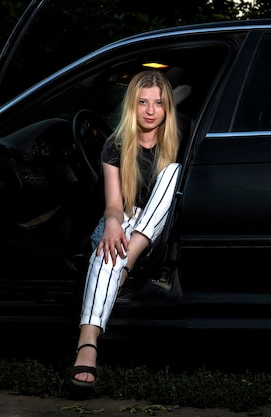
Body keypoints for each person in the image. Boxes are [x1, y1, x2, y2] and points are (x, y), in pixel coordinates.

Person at [70, 70, 181, 387]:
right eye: (143, 102)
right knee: (108, 252)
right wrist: (113, 224)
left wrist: (128, 250)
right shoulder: (115, 146)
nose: (150, 110)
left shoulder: (177, 144)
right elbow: (115, 203)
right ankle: (87, 344)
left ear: (167, 107)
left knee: (173, 172)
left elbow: (169, 203)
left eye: (158, 103)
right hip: (127, 218)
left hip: (157, 229)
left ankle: (124, 265)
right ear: (132, 106)